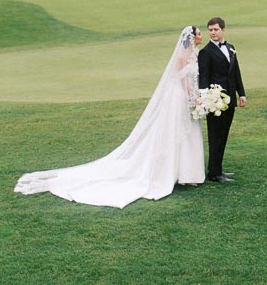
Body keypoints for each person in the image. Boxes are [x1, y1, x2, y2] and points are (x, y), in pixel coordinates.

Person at [14, 25, 206, 208]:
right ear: (191, 37)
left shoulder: (193, 53)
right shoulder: (183, 55)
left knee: (185, 132)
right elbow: (181, 79)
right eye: (199, 33)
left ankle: (185, 172)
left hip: (183, 96)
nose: (201, 35)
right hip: (179, 96)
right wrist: (192, 97)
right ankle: (173, 172)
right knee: (177, 131)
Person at [197, 16, 245, 183]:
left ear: (223, 30)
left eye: (216, 29)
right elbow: (203, 78)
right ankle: (214, 173)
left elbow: (236, 73)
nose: (212, 33)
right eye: (210, 30)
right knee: (215, 136)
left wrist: (242, 93)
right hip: (214, 102)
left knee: (223, 135)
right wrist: (205, 99)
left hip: (230, 99)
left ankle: (219, 168)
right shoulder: (205, 52)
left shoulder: (231, 48)